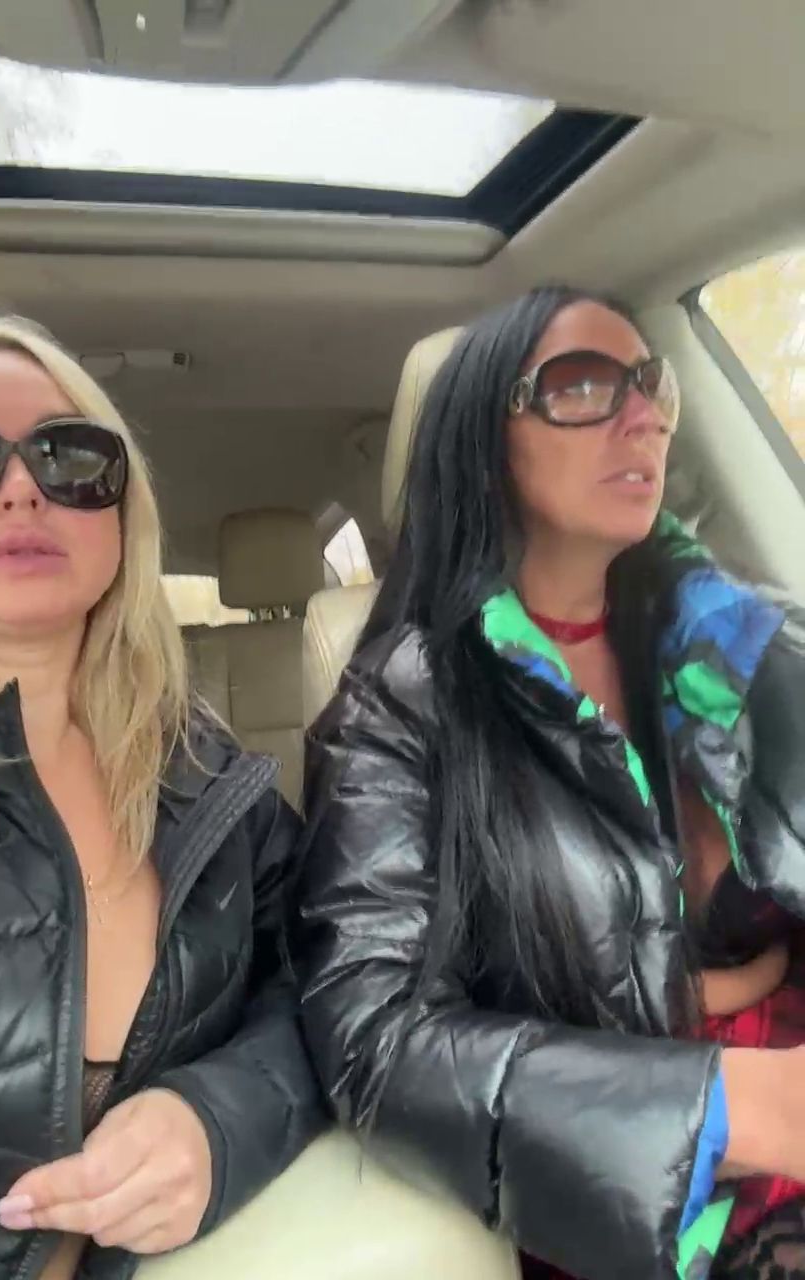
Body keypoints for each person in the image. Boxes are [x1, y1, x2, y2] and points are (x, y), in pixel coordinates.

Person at [296, 286, 805, 1280]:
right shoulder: (401, 704)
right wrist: (720, 1101)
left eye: (649, 384)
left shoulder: (740, 643)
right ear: (486, 442)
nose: (643, 416)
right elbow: (374, 1035)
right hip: (623, 1178)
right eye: (582, 386)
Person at [0, 311, 322, 1280]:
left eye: (70, 456)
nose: (22, 488)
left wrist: (218, 1116)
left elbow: (327, 986)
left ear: (120, 510)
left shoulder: (206, 775)